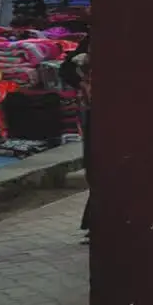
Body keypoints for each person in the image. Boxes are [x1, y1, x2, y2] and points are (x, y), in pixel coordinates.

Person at [60, 36, 91, 243]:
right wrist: (83, 84)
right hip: (95, 111)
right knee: (97, 166)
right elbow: (66, 69)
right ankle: (97, 225)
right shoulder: (92, 38)